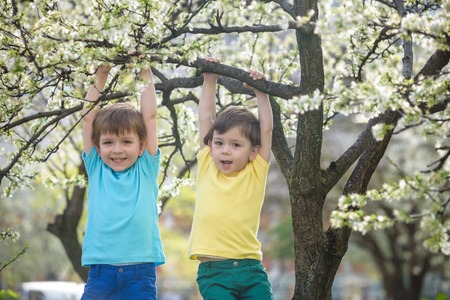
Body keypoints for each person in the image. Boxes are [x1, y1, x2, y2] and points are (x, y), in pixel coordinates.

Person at [188, 58, 274, 299]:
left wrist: (261, 92)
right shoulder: (207, 164)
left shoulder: (256, 170)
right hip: (214, 273)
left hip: (251, 271)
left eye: (235, 145)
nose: (225, 150)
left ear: (253, 151)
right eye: (219, 143)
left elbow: (266, 130)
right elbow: (205, 118)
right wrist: (210, 80)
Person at [80, 64, 165, 300]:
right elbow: (88, 121)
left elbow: (149, 116)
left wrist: (144, 71)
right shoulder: (96, 168)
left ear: (141, 145)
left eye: (126, 142)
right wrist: (101, 76)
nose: (117, 150)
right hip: (101, 272)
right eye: (108, 143)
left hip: (140, 273)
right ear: (97, 147)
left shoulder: (146, 168)